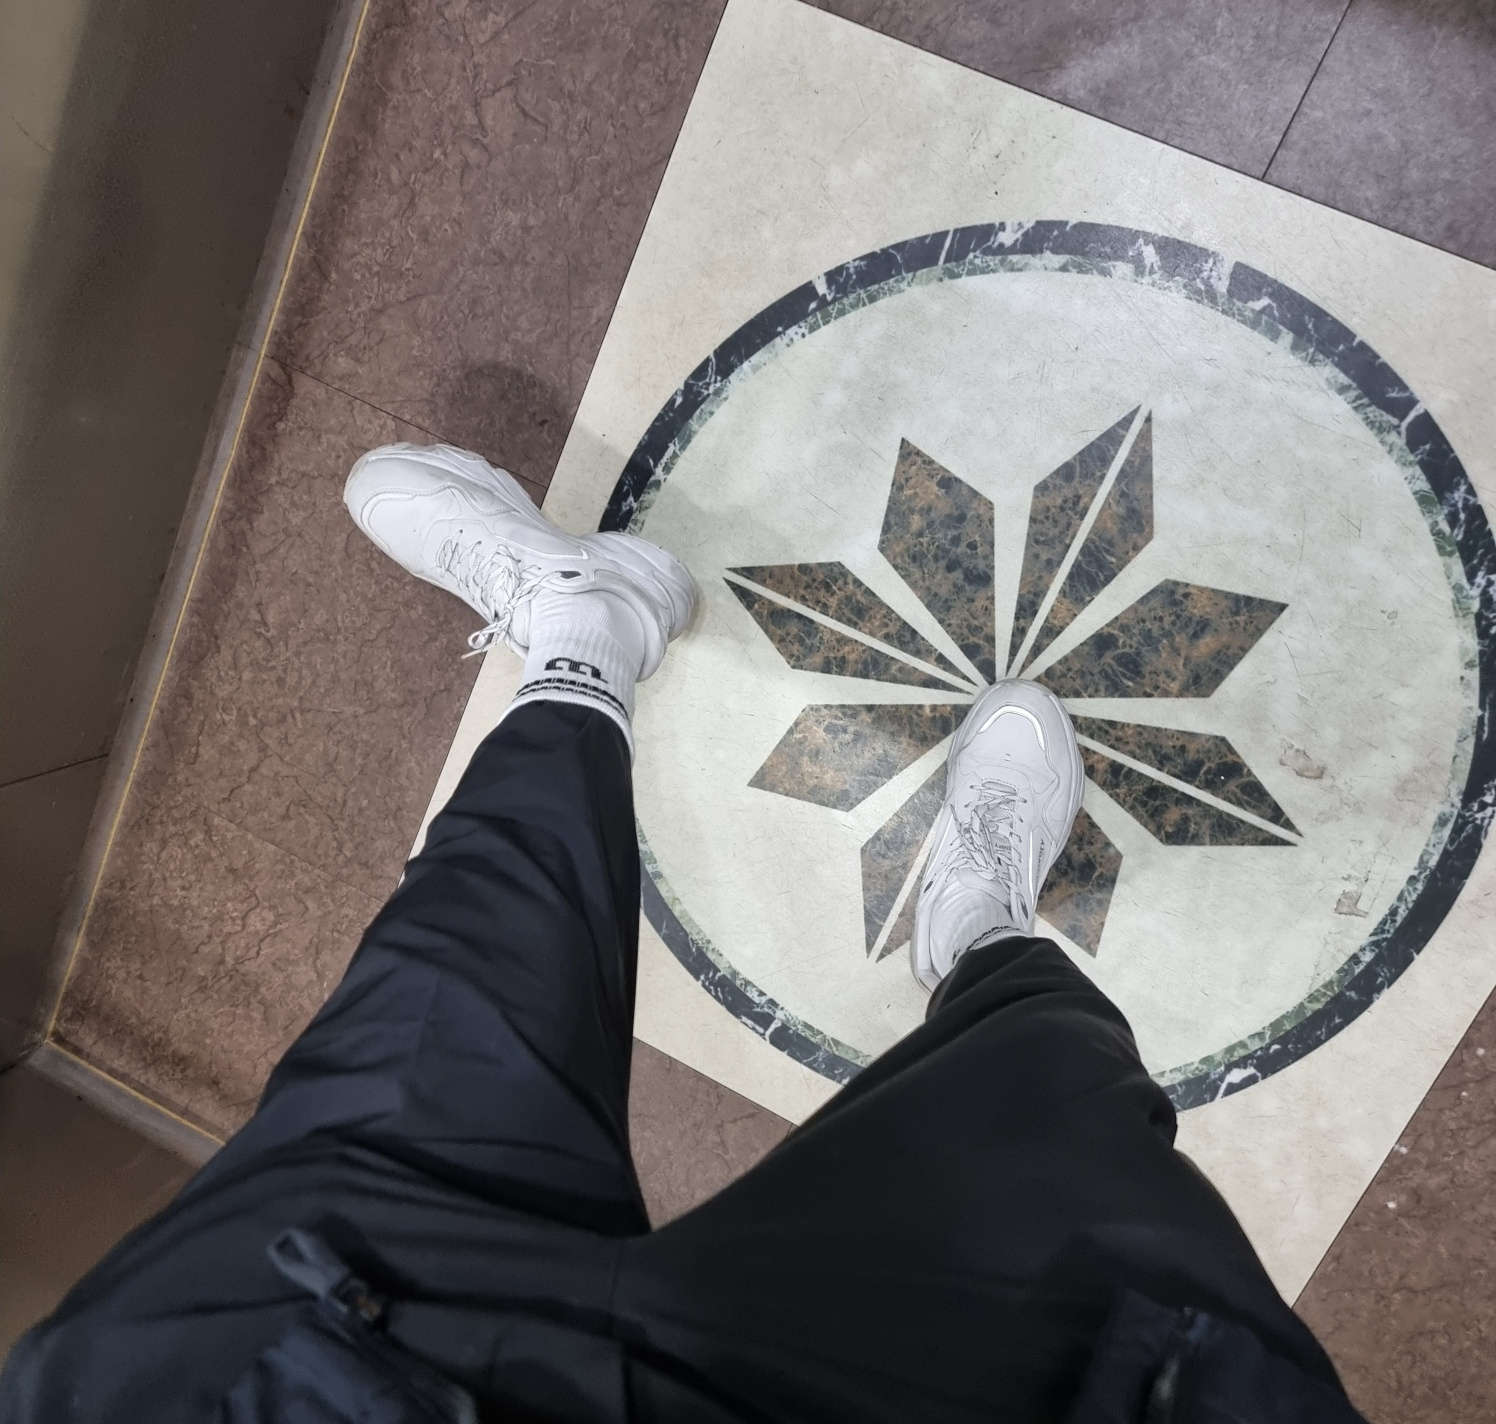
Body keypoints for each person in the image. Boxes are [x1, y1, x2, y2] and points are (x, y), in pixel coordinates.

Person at [0, 444, 1367, 1423]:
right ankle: (978, 929)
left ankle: (589, 632)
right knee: (1051, 1123)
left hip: (264, 1366)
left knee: (466, 950)